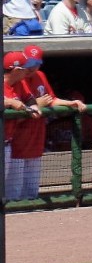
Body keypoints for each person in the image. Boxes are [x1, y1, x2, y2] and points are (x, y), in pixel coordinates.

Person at [7, 44, 86, 200]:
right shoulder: (18, 80)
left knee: (32, 188)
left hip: (36, 135)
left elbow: (51, 100)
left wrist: (70, 103)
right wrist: (37, 103)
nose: (32, 68)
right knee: (13, 190)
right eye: (29, 63)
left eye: (35, 64)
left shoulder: (40, 76)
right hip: (18, 137)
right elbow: (16, 106)